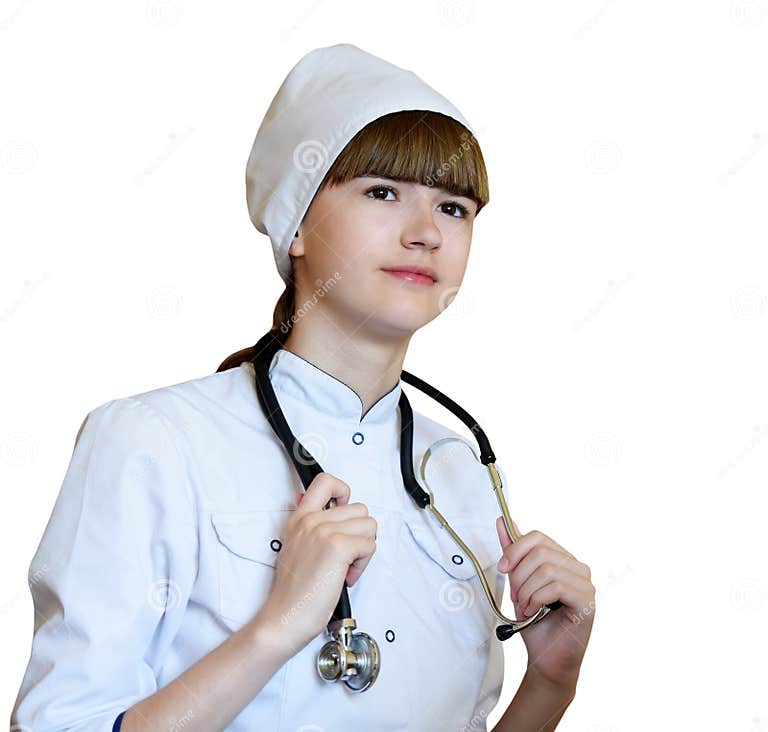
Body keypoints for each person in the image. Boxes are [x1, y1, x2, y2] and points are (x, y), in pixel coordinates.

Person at [11, 43, 595, 731]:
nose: (425, 233)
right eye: (382, 192)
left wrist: (551, 685)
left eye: (454, 207)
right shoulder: (152, 442)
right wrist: (281, 624)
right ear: (297, 228)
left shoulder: (457, 472)